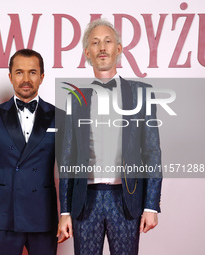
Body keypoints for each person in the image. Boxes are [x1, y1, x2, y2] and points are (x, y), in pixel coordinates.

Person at [57, 19, 162, 255]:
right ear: (87, 52)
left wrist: (151, 205)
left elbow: (152, 152)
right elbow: (67, 158)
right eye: (95, 43)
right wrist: (64, 212)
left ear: (119, 49)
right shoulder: (75, 98)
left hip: (126, 199)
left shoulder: (141, 94)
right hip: (85, 201)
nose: (102, 47)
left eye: (108, 41)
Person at [0, 49, 58, 255]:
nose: (26, 79)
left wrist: (66, 214)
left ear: (42, 77)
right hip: (3, 216)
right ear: (10, 76)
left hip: (44, 216)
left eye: (32, 72)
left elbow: (68, 172)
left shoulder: (59, 116)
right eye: (19, 72)